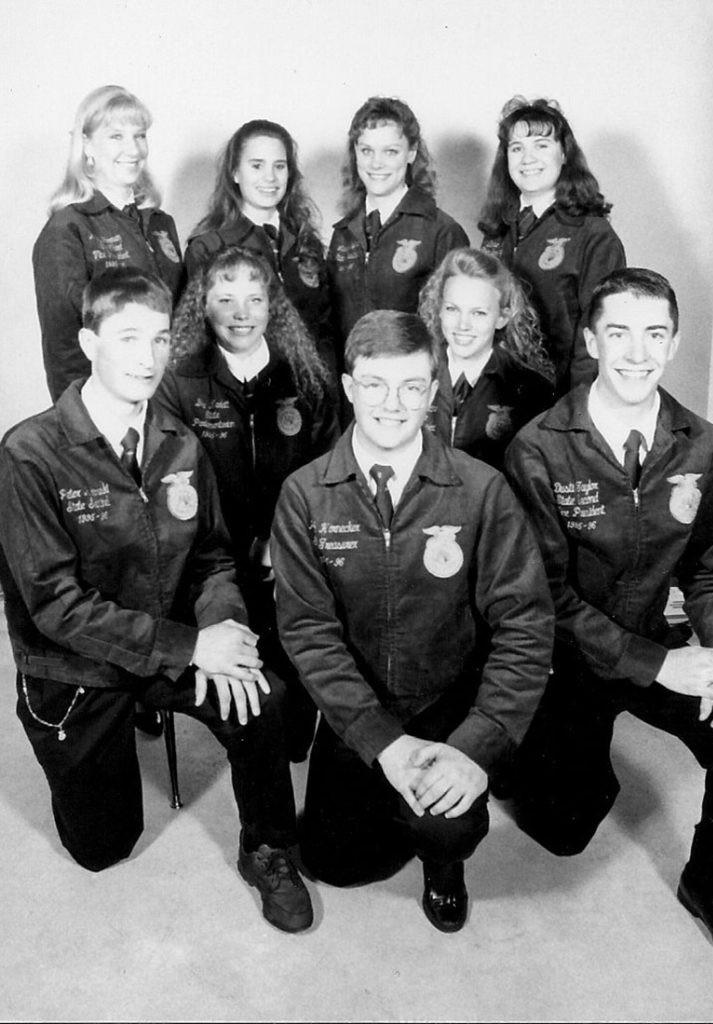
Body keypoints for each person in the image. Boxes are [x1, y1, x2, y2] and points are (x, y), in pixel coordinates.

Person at [0, 267, 313, 934]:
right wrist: (189, 646)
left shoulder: (178, 441)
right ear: (89, 343)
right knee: (102, 848)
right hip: (77, 669)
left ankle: (269, 849)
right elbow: (54, 604)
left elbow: (212, 558)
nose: (146, 359)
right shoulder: (30, 455)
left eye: (160, 340)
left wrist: (222, 631)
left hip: (170, 640)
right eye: (127, 339)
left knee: (264, 698)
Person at [270, 309, 554, 932]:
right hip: (360, 706)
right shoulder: (305, 495)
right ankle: (386, 793)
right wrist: (382, 743)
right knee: (335, 864)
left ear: (434, 391)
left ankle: (443, 863)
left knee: (444, 825)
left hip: (449, 701)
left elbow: (526, 627)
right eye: (374, 384)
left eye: (411, 386)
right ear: (348, 388)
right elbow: (308, 635)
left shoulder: (481, 491)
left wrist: (478, 747)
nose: (392, 404)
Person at [503, 268, 713, 967]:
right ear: (592, 340)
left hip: (656, 642)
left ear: (673, 342)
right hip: (568, 659)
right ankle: (535, 758)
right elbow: (544, 598)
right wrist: (661, 663)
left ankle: (711, 881)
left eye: (654, 334)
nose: (637, 353)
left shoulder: (699, 442)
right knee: (563, 828)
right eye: (620, 333)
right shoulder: (538, 447)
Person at [156, 245, 339, 761]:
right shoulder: (179, 382)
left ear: (271, 306)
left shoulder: (304, 375)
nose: (241, 314)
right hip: (209, 558)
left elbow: (328, 474)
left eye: (254, 299)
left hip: (292, 551)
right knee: (249, 708)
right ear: (203, 305)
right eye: (226, 299)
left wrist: (286, 545)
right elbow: (173, 482)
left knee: (295, 736)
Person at [33, 85, 185, 403]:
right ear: (87, 145)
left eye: (140, 135)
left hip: (168, 400)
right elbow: (64, 347)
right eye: (116, 136)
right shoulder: (67, 229)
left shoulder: (161, 224)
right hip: (106, 410)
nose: (133, 149)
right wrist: (85, 423)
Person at [479, 95, 625, 395]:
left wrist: (575, 410)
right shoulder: (497, 231)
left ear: (564, 155)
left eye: (541, 146)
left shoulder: (593, 235)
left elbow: (601, 333)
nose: (527, 159)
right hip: (494, 397)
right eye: (516, 148)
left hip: (557, 400)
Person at [184, 119, 334, 378]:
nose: (270, 178)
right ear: (235, 173)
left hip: (312, 391)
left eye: (279, 166)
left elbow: (327, 329)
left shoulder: (306, 242)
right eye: (257, 166)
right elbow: (199, 341)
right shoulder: (208, 248)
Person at [328, 96, 469, 366]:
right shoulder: (343, 234)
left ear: (412, 152)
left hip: (411, 390)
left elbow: (454, 335)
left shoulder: (441, 231)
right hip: (354, 390)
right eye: (366, 150)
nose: (375, 164)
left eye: (390, 151)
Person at [419, 247, 555, 470]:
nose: (463, 325)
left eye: (478, 313)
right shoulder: (415, 373)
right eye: (453, 309)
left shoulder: (533, 390)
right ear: (439, 309)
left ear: (502, 316)